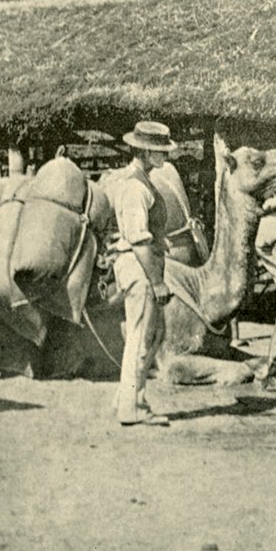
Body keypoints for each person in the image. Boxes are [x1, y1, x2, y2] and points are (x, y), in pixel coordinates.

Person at [102, 121, 179, 426]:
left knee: (150, 335)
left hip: (142, 264)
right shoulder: (135, 186)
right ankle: (131, 408)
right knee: (140, 337)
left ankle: (129, 397)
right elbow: (137, 238)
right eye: (160, 151)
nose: (165, 157)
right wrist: (157, 281)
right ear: (146, 151)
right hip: (139, 268)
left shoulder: (141, 181)